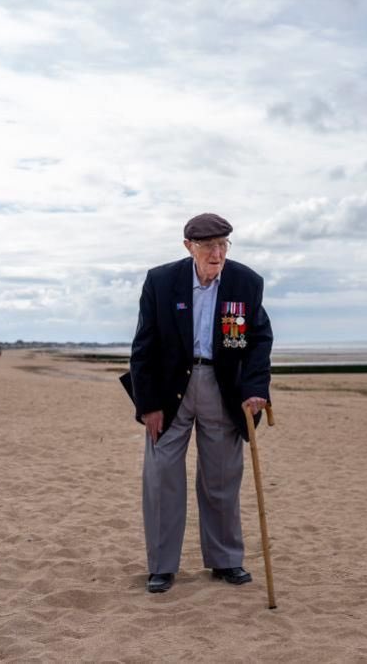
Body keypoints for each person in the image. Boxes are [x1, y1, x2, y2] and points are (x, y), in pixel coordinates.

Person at [128, 213, 273, 594]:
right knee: (161, 479)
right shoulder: (161, 281)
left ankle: (226, 560)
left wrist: (256, 389)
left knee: (222, 478)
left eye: (224, 244)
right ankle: (161, 566)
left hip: (222, 389)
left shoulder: (247, 282)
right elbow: (143, 347)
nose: (217, 252)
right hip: (169, 391)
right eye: (208, 246)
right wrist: (148, 405)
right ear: (188, 247)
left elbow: (259, 339)